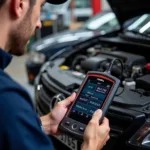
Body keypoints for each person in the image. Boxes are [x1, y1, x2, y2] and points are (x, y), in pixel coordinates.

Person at [0, 0, 110, 149]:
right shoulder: (9, 101)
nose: (39, 23)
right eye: (41, 6)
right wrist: (92, 144)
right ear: (20, 5)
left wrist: (47, 122)